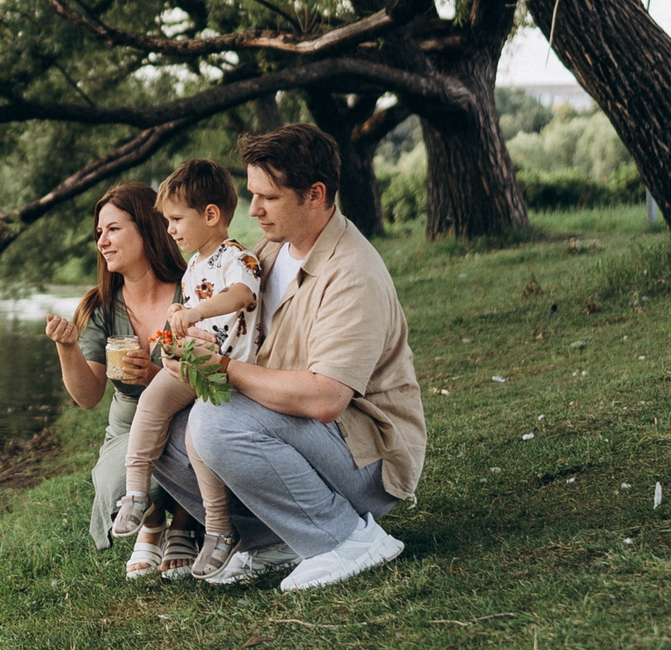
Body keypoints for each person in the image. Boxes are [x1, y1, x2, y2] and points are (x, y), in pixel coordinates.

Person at [147, 124, 428, 593]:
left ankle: (346, 539)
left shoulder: (352, 273)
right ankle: (272, 541)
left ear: (315, 194)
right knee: (163, 428)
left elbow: (325, 399)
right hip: (296, 435)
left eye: (268, 198)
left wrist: (223, 370)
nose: (253, 209)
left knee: (216, 423)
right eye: (253, 194)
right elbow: (227, 327)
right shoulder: (270, 251)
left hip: (366, 460)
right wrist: (185, 349)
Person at [107, 160, 261, 582]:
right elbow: (194, 312)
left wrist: (193, 310)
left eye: (176, 220)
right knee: (150, 405)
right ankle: (136, 494)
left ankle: (217, 528)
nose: (170, 230)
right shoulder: (193, 265)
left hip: (227, 370)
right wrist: (180, 313)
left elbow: (240, 297)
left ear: (210, 216)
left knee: (198, 438)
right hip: (193, 362)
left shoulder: (237, 257)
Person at [42, 182, 191, 580]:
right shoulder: (100, 305)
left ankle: (183, 525)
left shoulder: (192, 289)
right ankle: (154, 520)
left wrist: (160, 376)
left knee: (196, 439)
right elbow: (89, 396)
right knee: (115, 480)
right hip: (128, 426)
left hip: (188, 417)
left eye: (113, 230)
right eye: (98, 234)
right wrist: (68, 348)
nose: (102, 242)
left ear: (147, 228)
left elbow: (216, 370)